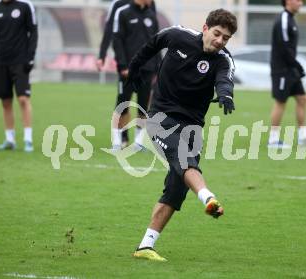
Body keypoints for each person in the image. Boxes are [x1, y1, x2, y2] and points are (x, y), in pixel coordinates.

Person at [126, 8, 237, 261]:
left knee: (176, 189)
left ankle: (145, 246)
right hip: (160, 118)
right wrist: (134, 70)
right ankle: (209, 198)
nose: (220, 41)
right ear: (206, 28)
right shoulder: (177, 36)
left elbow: (225, 79)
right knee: (184, 159)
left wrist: (226, 94)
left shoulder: (224, 59)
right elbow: (151, 45)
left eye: (226, 38)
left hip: (192, 128)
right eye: (217, 34)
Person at [0, 0, 38, 152]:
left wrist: (31, 57)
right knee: (6, 101)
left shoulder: (25, 5)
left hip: (20, 61)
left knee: (23, 99)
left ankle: (28, 139)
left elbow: (33, 32)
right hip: (0, 61)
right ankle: (10, 140)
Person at [268, 0, 306, 148]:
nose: (301, 3)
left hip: (290, 69)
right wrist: (297, 65)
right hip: (282, 70)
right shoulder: (283, 19)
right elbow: (284, 47)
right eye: (297, 0)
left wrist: (295, 67)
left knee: (302, 99)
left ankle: (303, 137)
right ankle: (273, 139)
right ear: (288, 1)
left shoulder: (291, 19)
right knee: (281, 102)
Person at [111, 0, 159, 150]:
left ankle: (139, 142)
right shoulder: (123, 12)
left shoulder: (152, 15)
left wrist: (158, 67)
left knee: (143, 107)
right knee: (122, 106)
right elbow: (117, 41)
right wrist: (123, 65)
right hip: (128, 70)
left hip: (148, 69)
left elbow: (156, 43)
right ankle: (118, 141)